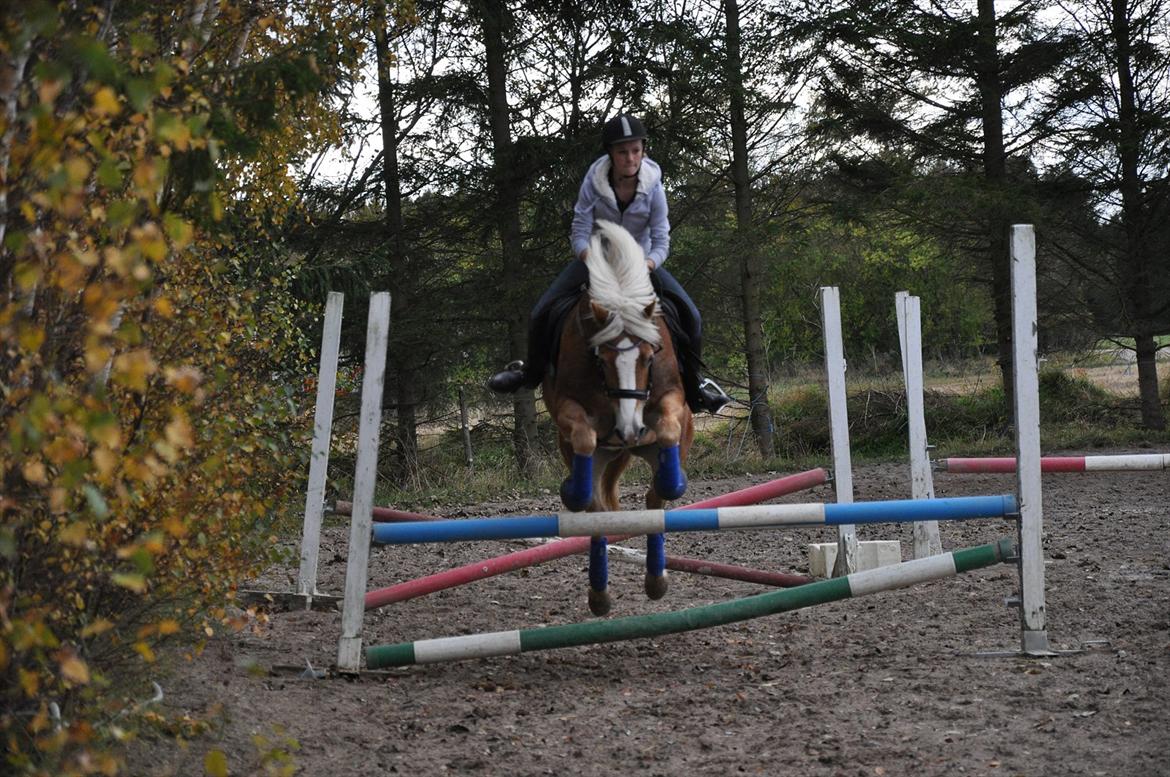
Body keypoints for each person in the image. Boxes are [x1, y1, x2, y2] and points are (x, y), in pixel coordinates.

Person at [488, 113, 730, 414]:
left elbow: (661, 239)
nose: (630, 158)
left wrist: (648, 264)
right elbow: (579, 232)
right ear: (610, 154)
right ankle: (529, 374)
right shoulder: (593, 182)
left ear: (643, 150)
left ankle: (695, 386)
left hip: (641, 265)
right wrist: (589, 258)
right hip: (595, 261)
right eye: (622, 151)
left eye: (636, 150)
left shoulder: (654, 186)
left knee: (691, 315)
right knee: (540, 312)